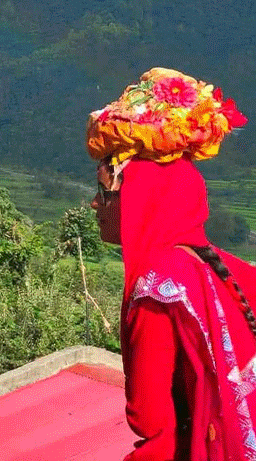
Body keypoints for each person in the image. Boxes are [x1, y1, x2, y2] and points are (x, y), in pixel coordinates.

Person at [87, 67, 253, 460]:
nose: (95, 204)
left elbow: (155, 431)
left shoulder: (157, 291)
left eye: (103, 191)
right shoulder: (233, 271)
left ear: (139, 196)